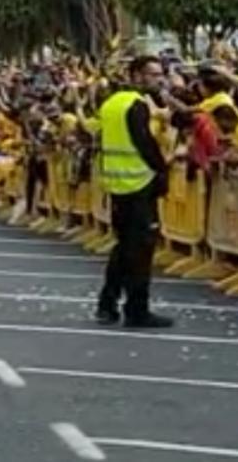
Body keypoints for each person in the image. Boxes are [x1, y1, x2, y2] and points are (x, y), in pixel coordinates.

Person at [96, 55, 172, 329]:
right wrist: (162, 171)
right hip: (140, 185)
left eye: (160, 74)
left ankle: (107, 303)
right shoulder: (135, 105)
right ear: (136, 76)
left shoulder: (110, 104)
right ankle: (137, 309)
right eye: (152, 74)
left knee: (124, 248)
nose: (159, 79)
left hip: (118, 185)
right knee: (140, 251)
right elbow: (144, 143)